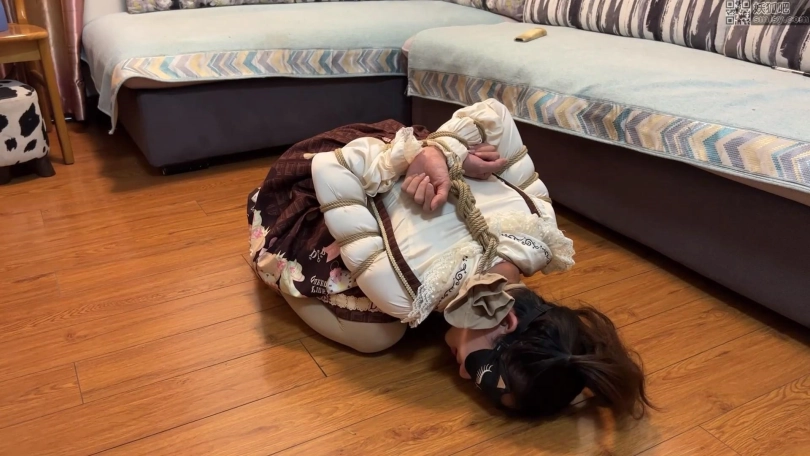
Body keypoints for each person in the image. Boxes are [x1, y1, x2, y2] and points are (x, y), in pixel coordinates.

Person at [247, 99, 652, 418]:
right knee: (374, 336)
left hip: (381, 162)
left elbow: (495, 117)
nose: (460, 372)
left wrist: (445, 155)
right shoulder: (404, 289)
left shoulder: (540, 227)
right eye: (478, 373)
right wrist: (436, 154)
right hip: (335, 164)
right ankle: (269, 259)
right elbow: (331, 168)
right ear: (506, 321)